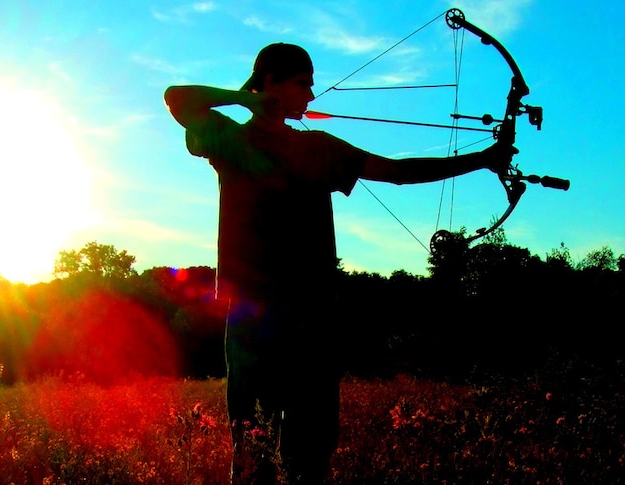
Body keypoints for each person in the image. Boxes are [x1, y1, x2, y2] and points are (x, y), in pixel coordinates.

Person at [163, 42, 512, 484]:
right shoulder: (229, 138)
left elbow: (398, 171)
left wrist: (482, 160)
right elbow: (176, 96)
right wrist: (246, 98)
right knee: (254, 451)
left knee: (312, 453)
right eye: (302, 84)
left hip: (312, 318)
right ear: (270, 82)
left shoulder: (319, 148)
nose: (310, 96)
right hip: (255, 318)